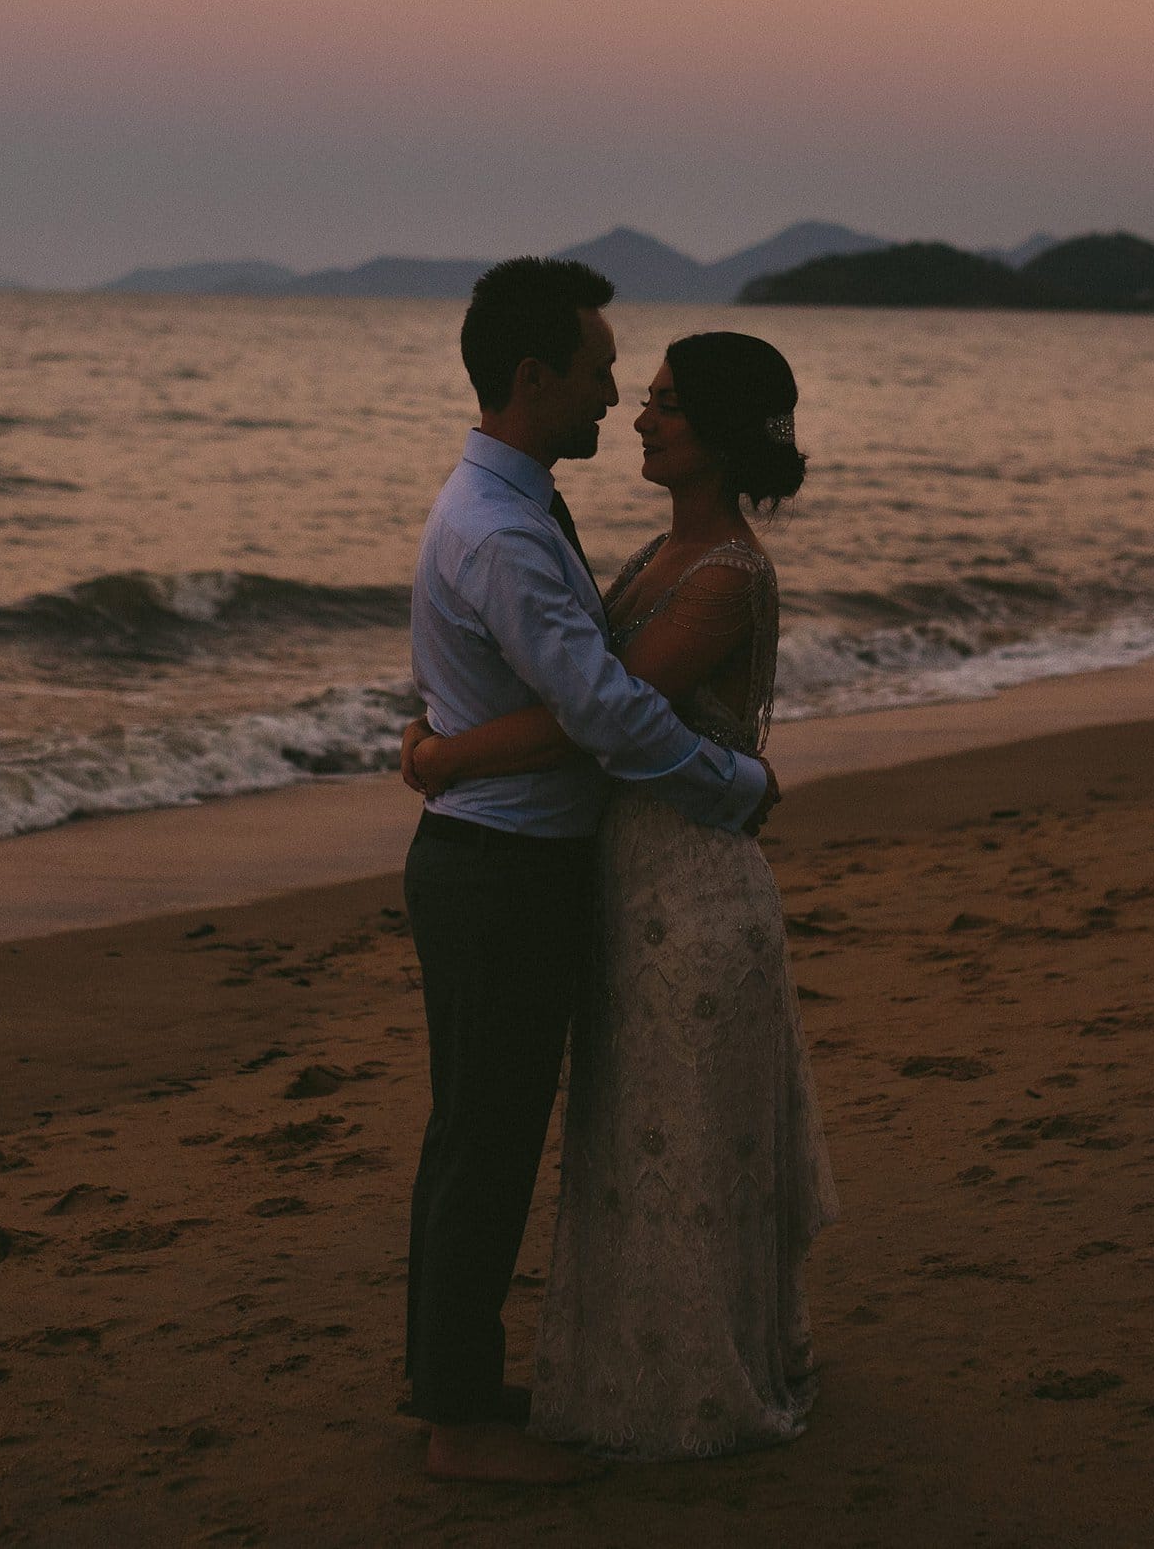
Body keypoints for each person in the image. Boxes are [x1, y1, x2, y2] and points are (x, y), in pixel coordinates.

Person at [404, 327, 837, 1460]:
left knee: (681, 1142)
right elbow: (561, 676)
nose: (639, 415)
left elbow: (597, 717)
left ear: (723, 432)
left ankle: (688, 1381)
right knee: (627, 1139)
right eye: (636, 393)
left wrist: (449, 754)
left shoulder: (726, 573)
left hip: (689, 889)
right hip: (630, 881)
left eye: (667, 404)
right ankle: (602, 1371)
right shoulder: (655, 550)